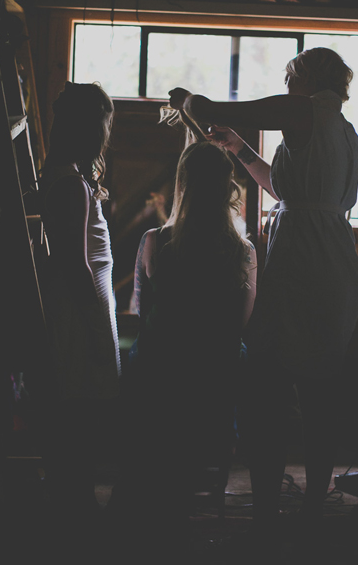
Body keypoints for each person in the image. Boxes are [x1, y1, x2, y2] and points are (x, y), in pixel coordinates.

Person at [167, 46, 358, 535]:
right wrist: (240, 149)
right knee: (318, 391)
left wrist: (191, 102)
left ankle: (266, 510)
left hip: (305, 262)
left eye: (290, 75)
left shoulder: (304, 109)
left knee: (266, 390)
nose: (286, 82)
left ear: (306, 78)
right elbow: (284, 187)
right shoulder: (343, 130)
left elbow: (216, 109)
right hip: (332, 258)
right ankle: (313, 505)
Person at [122, 140, 256, 527]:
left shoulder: (155, 241)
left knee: (146, 350)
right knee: (234, 353)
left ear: (182, 185)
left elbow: (142, 311)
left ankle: (145, 472)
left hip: (163, 384)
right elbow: (239, 324)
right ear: (227, 188)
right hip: (212, 386)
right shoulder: (243, 252)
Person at [39, 81, 120, 522]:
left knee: (81, 410)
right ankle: (77, 509)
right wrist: (93, 324)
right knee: (81, 412)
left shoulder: (67, 175)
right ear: (93, 127)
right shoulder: (70, 184)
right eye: (106, 122)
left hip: (84, 308)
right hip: (78, 312)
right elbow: (75, 263)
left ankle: (74, 502)